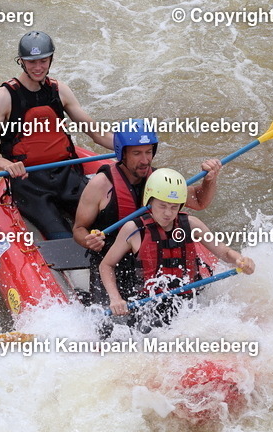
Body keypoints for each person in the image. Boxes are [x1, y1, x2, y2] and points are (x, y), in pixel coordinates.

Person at [0, 31, 113, 239]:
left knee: (108, 221)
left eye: (43, 61)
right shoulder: (4, 97)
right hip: (30, 183)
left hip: (67, 176)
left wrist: (128, 147)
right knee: (61, 236)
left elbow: (95, 132)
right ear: (21, 61)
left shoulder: (60, 91)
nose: (38, 67)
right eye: (32, 62)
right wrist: (6, 165)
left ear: (51, 59)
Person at [72, 120, 222, 304]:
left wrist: (209, 179)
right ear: (122, 154)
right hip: (114, 263)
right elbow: (79, 229)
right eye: (137, 153)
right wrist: (89, 241)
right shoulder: (100, 185)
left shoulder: (160, 179)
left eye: (148, 152)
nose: (145, 160)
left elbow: (199, 201)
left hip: (155, 260)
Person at [101, 168, 254, 327]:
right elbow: (106, 265)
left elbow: (224, 252)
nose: (168, 213)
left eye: (174, 207)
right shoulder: (133, 230)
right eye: (162, 206)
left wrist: (240, 260)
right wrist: (115, 298)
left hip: (189, 304)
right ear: (150, 201)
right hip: (148, 308)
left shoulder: (192, 225)